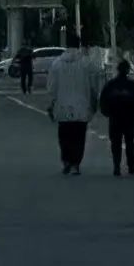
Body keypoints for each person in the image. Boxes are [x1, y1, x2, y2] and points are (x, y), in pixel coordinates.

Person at [46, 33, 101, 176]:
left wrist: (51, 104)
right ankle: (76, 163)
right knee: (79, 136)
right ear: (79, 45)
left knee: (64, 136)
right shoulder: (86, 63)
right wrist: (94, 102)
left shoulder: (57, 64)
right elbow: (94, 85)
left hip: (62, 105)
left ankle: (66, 160)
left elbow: (51, 87)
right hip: (81, 106)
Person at [98, 59, 134, 176]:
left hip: (115, 117)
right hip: (129, 117)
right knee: (129, 142)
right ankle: (131, 165)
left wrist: (106, 112)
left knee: (115, 142)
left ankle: (116, 165)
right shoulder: (132, 86)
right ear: (127, 70)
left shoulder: (111, 85)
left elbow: (103, 100)